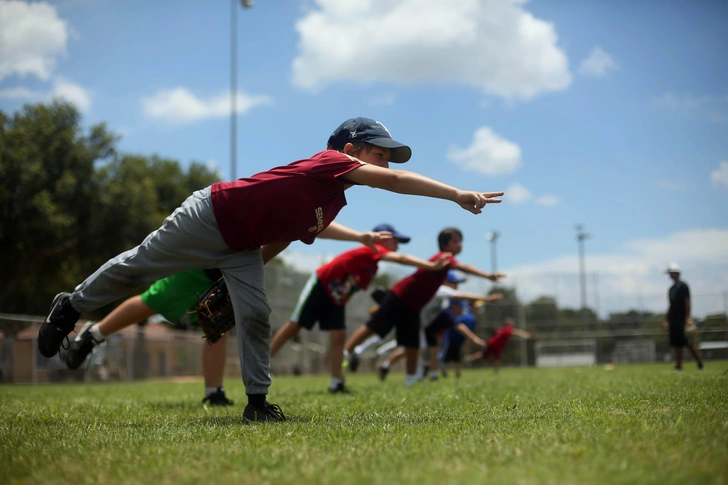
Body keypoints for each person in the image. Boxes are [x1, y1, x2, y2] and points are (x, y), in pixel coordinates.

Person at [37, 117, 504, 422]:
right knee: (139, 267)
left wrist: (234, 280)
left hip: (240, 245)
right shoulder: (331, 162)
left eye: (385, 154)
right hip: (210, 215)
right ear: (351, 148)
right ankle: (71, 306)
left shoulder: (334, 202)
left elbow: (287, 237)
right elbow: (397, 181)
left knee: (256, 313)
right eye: (379, 151)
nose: (385, 160)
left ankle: (257, 403)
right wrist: (457, 193)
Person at [270, 223, 449, 393]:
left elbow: (351, 289)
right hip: (322, 285)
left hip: (337, 297)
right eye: (396, 240)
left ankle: (336, 383)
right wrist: (431, 266)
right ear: (382, 238)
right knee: (294, 327)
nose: (398, 245)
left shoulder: (372, 268)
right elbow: (401, 259)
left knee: (339, 335)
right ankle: (264, 365)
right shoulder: (370, 249)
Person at [343, 227, 505, 386]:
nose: (460, 244)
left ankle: (411, 380)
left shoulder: (445, 266)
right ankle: (345, 353)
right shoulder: (443, 257)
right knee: (373, 327)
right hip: (400, 296)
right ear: (445, 244)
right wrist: (487, 276)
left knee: (412, 344)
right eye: (456, 241)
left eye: (460, 241)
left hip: (413, 307)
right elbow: (464, 267)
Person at [63, 269, 236, 406]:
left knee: (218, 324)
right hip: (202, 262)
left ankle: (214, 392)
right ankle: (94, 333)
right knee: (154, 300)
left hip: (225, 270)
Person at [376, 271, 502, 381]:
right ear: (446, 282)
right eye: (454, 283)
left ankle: (403, 370)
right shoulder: (441, 289)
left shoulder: (441, 294)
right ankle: (411, 375)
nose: (456, 286)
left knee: (415, 349)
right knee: (411, 348)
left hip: (420, 324)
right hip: (415, 322)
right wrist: (486, 298)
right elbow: (461, 296)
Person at [662, 262, 704, 371]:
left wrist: (688, 317)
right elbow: (671, 305)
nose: (670, 275)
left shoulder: (683, 286)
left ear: (677, 273)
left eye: (671, 273)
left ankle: (700, 363)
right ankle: (678, 365)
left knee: (688, 342)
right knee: (676, 344)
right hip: (674, 320)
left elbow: (687, 302)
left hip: (682, 319)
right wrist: (666, 319)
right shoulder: (671, 289)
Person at [438, 300, 480, 379]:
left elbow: (467, 336)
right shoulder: (470, 318)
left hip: (457, 340)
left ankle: (457, 375)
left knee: (456, 358)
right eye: (477, 307)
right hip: (450, 338)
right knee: (445, 358)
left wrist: (467, 352)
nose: (479, 309)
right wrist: (475, 340)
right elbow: (463, 330)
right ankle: (432, 368)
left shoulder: (470, 317)